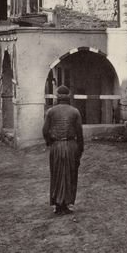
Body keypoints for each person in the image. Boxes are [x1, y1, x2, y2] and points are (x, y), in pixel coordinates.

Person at [42, 84, 84, 216]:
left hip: (56, 146)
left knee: (56, 174)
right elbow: (80, 133)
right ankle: (66, 203)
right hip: (71, 145)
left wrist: (50, 142)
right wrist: (80, 149)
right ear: (69, 97)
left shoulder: (51, 111)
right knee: (70, 174)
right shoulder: (75, 111)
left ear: (57, 97)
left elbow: (44, 131)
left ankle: (57, 204)